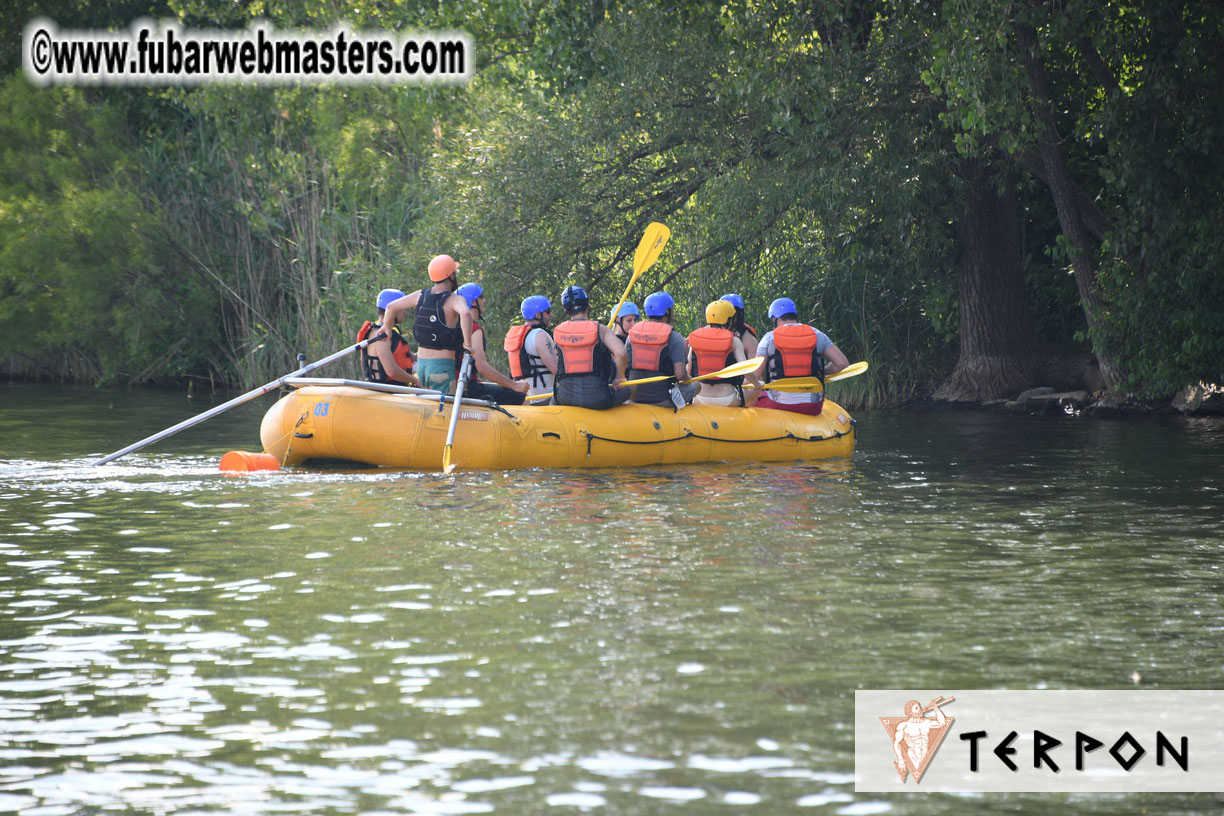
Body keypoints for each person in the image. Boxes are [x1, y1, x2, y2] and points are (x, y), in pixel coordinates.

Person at [382, 254, 474, 395]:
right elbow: (466, 314)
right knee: (444, 407)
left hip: (421, 367)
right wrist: (467, 344)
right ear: (450, 276)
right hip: (441, 367)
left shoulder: (420, 295)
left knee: (427, 405)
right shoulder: (454, 299)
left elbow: (390, 307)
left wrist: (387, 328)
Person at [753, 297, 848, 415]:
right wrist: (822, 372)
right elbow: (842, 363)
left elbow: (756, 374)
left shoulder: (768, 338)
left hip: (779, 404)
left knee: (754, 400)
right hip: (813, 406)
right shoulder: (818, 335)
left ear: (776, 318)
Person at [552, 285, 630, 410]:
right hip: (596, 399)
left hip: (564, 397)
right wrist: (620, 377)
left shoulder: (558, 332)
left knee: (553, 401)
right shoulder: (601, 330)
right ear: (588, 306)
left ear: (567, 311)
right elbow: (621, 353)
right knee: (630, 390)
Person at [454, 282, 529, 405]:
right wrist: (515, 385)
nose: (484, 300)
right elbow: (482, 367)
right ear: (473, 302)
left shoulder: (454, 326)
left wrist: (471, 376)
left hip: (456, 385)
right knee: (519, 396)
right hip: (467, 389)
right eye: (481, 297)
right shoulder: (474, 329)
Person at [626, 291, 696, 407]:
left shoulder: (632, 335)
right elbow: (680, 375)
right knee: (697, 385)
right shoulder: (675, 338)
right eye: (672, 308)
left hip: (634, 396)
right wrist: (689, 378)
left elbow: (624, 364)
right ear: (667, 311)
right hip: (661, 399)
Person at [687, 299, 761, 407]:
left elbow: (687, 370)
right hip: (727, 399)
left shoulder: (695, 339)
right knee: (757, 387)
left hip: (699, 397)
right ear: (729, 320)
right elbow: (745, 369)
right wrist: (757, 384)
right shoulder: (734, 341)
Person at [356, 288, 419, 387]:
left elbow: (413, 358)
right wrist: (414, 380)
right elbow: (392, 372)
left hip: (395, 388)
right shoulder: (381, 337)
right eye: (403, 309)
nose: (405, 313)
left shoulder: (388, 332)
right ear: (394, 311)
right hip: (385, 388)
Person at [504, 294, 558, 402]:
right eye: (548, 312)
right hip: (547, 398)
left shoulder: (518, 337)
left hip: (527, 399)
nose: (551, 315)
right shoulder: (540, 335)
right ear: (538, 315)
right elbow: (557, 369)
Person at [720, 292, 759, 360]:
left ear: (739, 315)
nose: (727, 317)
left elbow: (755, 366)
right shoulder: (710, 331)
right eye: (724, 313)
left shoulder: (750, 341)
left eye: (730, 313)